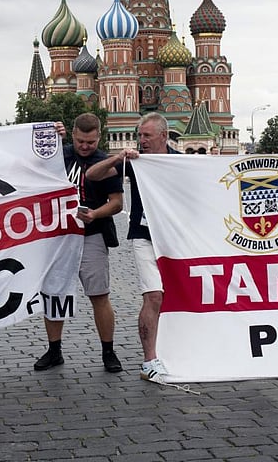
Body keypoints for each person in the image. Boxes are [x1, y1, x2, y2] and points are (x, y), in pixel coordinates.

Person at [85, 112, 178, 383]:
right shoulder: (135, 163)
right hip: (144, 236)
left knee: (183, 296)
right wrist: (119, 158)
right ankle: (149, 360)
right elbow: (93, 175)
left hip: (175, 238)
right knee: (153, 296)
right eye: (139, 135)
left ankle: (181, 350)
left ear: (163, 135)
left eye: (147, 135)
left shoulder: (180, 161)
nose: (142, 140)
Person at [34, 114, 124, 373]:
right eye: (81, 141)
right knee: (53, 293)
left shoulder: (104, 161)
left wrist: (95, 214)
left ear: (99, 136)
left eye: (91, 142)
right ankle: (54, 350)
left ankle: (108, 351)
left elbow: (117, 202)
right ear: (72, 134)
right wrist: (48, 134)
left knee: (99, 295)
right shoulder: (58, 156)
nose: (85, 146)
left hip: (92, 234)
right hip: (58, 237)